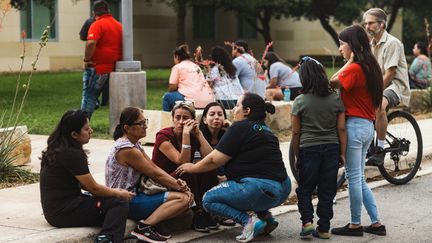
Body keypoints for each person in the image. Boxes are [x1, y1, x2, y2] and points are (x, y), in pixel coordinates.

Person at [175, 93, 291, 243]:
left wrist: (192, 168)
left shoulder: (240, 127)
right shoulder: (265, 130)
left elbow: (213, 160)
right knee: (247, 188)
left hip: (260, 188)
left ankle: (249, 222)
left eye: (237, 106)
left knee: (208, 199)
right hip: (282, 190)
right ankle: (266, 219)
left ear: (247, 111)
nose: (234, 109)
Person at [39, 110, 135, 243]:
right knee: (119, 203)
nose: (91, 131)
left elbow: (85, 185)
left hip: (56, 211)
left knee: (110, 208)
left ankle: (112, 235)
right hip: (64, 212)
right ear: (74, 134)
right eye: (86, 129)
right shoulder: (72, 154)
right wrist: (117, 193)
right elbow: (93, 188)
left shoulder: (58, 148)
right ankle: (107, 239)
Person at [105, 107, 194, 243]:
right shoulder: (127, 149)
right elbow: (155, 174)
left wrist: (178, 184)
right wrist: (180, 188)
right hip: (124, 200)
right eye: (141, 123)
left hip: (135, 194)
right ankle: (144, 227)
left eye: (145, 121)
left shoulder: (135, 145)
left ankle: (152, 223)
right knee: (183, 199)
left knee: (186, 198)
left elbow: (154, 168)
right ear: (127, 128)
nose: (145, 126)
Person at [329, 24, 386, 237]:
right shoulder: (371, 67)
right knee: (358, 177)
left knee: (353, 177)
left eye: (342, 44)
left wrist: (348, 64)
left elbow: (328, 85)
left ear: (352, 45)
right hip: (367, 127)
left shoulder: (354, 69)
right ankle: (376, 223)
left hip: (354, 127)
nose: (339, 48)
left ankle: (354, 224)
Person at [291, 56, 346, 239]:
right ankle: (323, 228)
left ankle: (307, 222)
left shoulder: (300, 101)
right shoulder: (336, 99)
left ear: (304, 78)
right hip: (331, 148)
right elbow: (341, 128)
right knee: (327, 189)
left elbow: (296, 134)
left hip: (308, 148)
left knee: (305, 188)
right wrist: (342, 153)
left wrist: (298, 155)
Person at [152, 101, 220, 232]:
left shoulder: (194, 135)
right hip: (162, 180)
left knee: (208, 169)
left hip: (181, 179)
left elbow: (211, 158)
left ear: (193, 120)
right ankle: (198, 213)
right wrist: (185, 135)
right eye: (178, 117)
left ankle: (208, 209)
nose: (181, 122)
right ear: (172, 119)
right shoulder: (163, 136)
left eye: (186, 118)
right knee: (187, 169)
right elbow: (182, 161)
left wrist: (199, 134)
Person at [363, 8, 410, 165]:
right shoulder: (370, 45)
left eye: (370, 23)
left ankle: (380, 150)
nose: (367, 26)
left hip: (396, 86)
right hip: (381, 85)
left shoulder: (392, 43)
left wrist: (373, 92)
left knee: (378, 105)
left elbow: (390, 74)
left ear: (382, 24)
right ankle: (368, 145)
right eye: (366, 23)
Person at [81, 0, 122, 119]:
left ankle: (82, 125)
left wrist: (86, 60)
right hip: (112, 69)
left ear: (94, 13)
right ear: (108, 11)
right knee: (98, 97)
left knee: (89, 97)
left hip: (97, 68)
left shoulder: (97, 24)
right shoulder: (119, 25)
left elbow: (90, 43)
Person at [162, 44, 215, 111]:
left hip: (192, 101)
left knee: (166, 97)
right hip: (208, 100)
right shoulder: (195, 66)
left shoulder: (177, 67)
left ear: (177, 57)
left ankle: (169, 120)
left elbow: (172, 87)